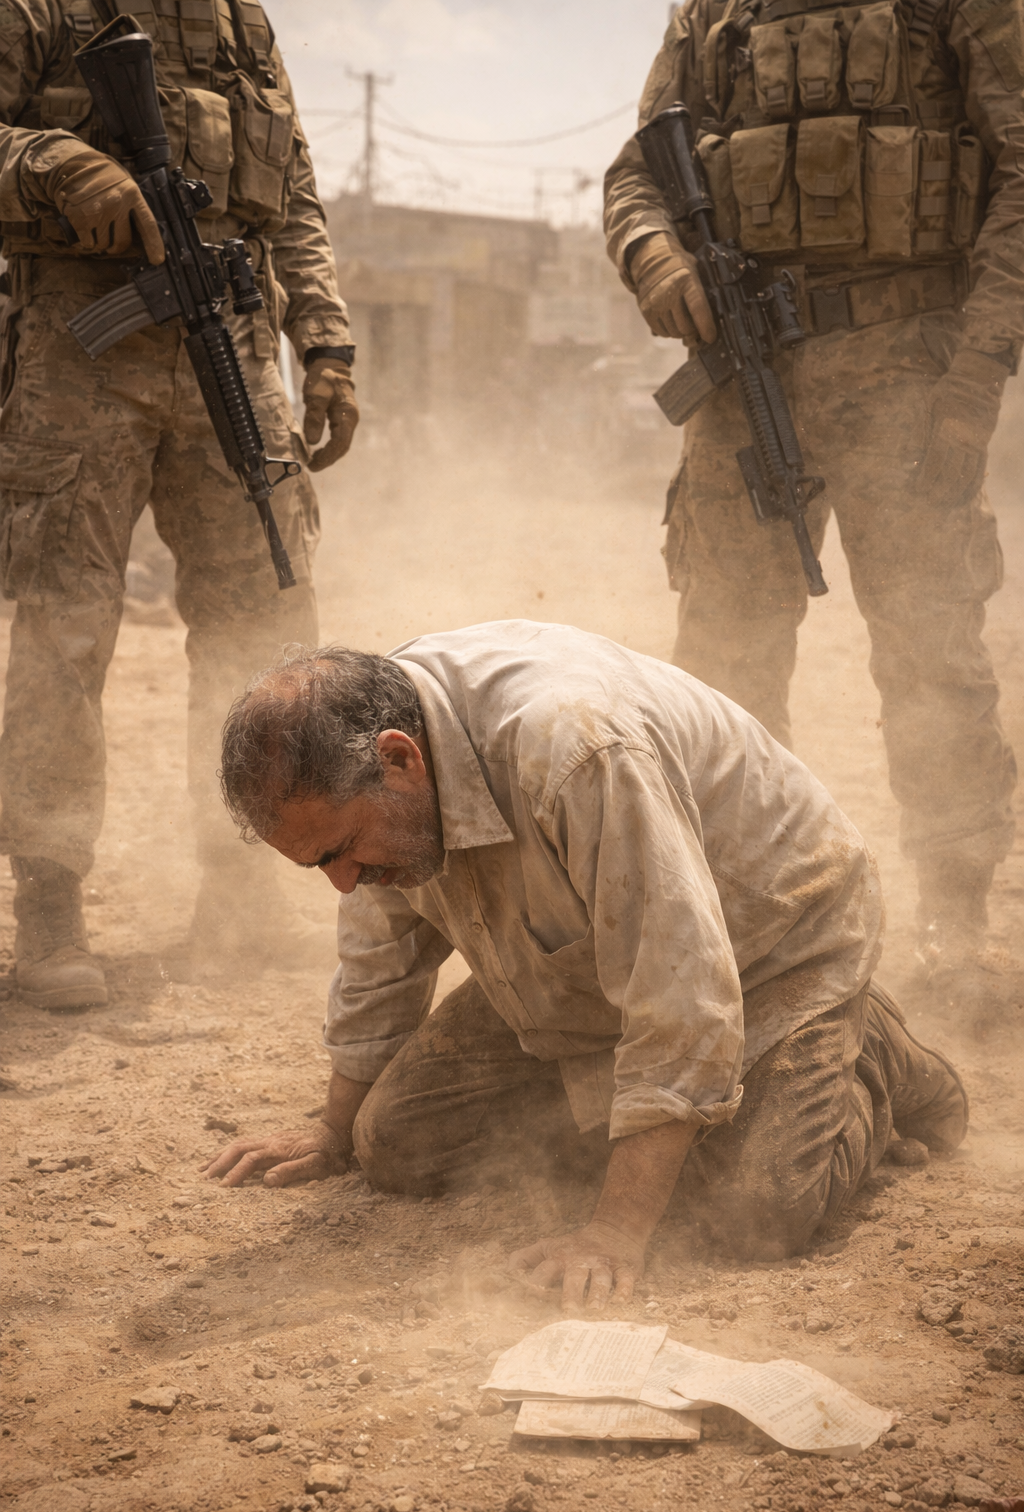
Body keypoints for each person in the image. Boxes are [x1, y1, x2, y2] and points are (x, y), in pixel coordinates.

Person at [204, 622, 967, 1306]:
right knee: (397, 1144)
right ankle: (675, 1103)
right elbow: (382, 957)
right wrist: (334, 1129)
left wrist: (615, 1232)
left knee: (755, 1211)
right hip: (580, 959)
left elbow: (681, 993)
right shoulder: (377, 756)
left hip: (768, 944)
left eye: (341, 851)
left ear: (399, 760)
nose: (342, 883)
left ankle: (869, 1050)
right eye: (319, 864)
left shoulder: (576, 748)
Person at [603, 0, 1021, 1018]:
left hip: (906, 365)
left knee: (931, 654)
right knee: (723, 661)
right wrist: (657, 258)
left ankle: (953, 921)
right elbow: (635, 176)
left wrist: (976, 378)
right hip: (744, 374)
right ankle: (751, 914)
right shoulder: (715, 12)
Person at [0, 0, 359, 1008]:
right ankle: (51, 906)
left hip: (232, 346)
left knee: (264, 624)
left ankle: (243, 887)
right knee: (66, 634)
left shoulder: (242, 22)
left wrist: (325, 344)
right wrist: (54, 163)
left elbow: (294, 196)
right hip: (81, 346)